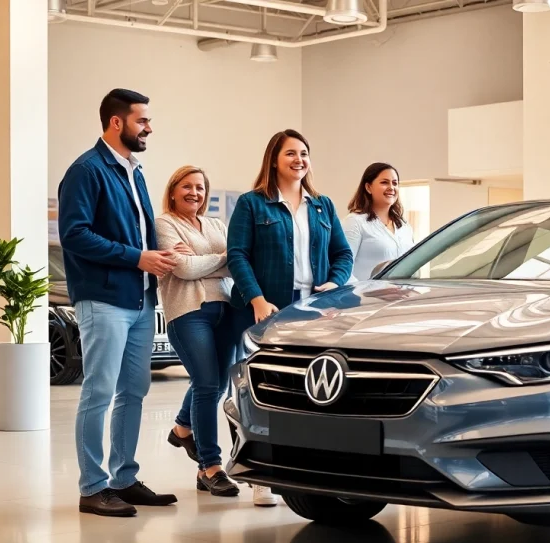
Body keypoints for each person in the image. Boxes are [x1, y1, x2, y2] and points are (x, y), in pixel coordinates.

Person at [58, 88, 180, 517]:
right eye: (142, 120)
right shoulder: (86, 171)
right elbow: (74, 234)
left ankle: (124, 478)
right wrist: (137, 258)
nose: (149, 127)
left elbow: (143, 233)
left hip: (141, 298)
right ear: (116, 123)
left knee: (135, 390)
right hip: (105, 299)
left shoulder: (135, 171)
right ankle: (93, 487)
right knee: (99, 391)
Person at [226, 129, 355, 506]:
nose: (299, 159)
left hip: (315, 311)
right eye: (290, 154)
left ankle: (312, 469)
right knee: (267, 392)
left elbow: (342, 254)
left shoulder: (323, 205)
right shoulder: (253, 204)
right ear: (274, 160)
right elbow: (238, 256)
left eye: (304, 153)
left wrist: (335, 282)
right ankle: (262, 476)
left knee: (310, 393)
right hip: (268, 309)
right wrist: (257, 299)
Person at [155, 165, 241, 497]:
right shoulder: (164, 223)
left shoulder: (216, 224)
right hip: (189, 313)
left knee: (217, 384)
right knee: (207, 384)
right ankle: (210, 467)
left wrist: (211, 259)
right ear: (174, 190)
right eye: (187, 186)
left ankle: (181, 429)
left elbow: (236, 261)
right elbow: (184, 269)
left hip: (226, 312)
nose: (195, 193)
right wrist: (220, 258)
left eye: (201, 188)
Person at [342, 162, 415, 282]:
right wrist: (362, 293)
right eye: (384, 182)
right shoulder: (354, 222)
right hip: (366, 298)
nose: (391, 187)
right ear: (368, 187)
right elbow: (343, 268)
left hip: (402, 297)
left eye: (395, 183)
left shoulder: (404, 226)